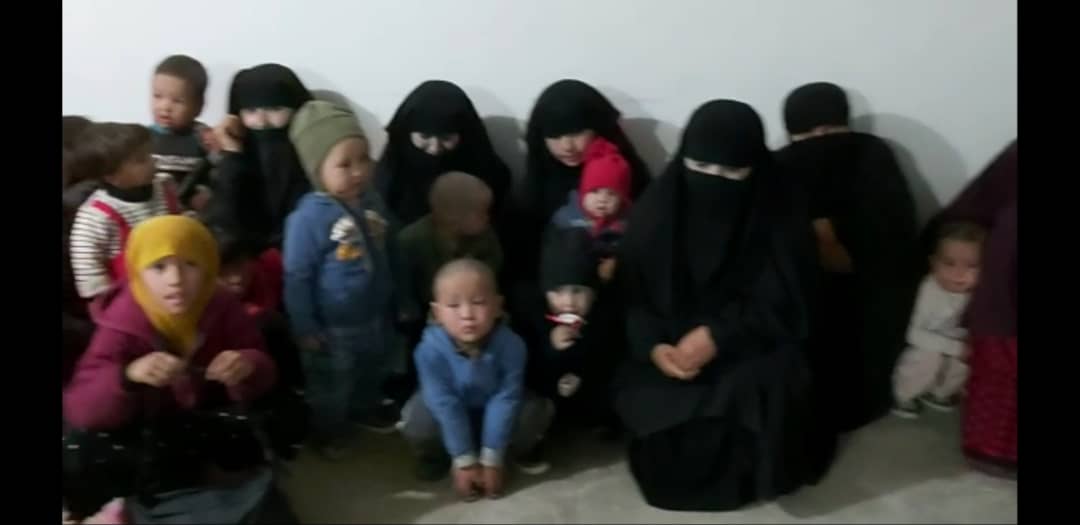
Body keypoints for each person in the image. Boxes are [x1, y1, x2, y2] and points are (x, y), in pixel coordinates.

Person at [613, 100, 831, 511]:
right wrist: (655, 348)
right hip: (670, 341)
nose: (714, 181)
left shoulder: (778, 212)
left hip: (753, 339)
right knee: (659, 416)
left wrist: (720, 335)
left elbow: (789, 299)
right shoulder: (656, 214)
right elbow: (633, 299)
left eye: (732, 172)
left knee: (765, 389)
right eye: (701, 167)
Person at [62, 215, 278, 520]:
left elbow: (264, 369)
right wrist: (128, 376)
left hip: (204, 425)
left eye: (190, 264)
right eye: (158, 266)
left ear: (208, 265)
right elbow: (81, 409)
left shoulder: (223, 305)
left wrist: (247, 365)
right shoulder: (121, 323)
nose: (175, 279)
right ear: (137, 271)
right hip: (143, 434)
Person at [775, 81, 921, 433]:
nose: (820, 141)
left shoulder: (868, 156)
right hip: (836, 301)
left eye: (828, 131)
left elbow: (895, 231)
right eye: (808, 135)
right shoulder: (869, 152)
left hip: (853, 298)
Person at [283, 100, 399, 459]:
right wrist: (305, 325)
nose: (358, 171)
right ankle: (329, 432)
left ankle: (364, 409)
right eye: (345, 165)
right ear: (317, 169)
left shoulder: (371, 201)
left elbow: (388, 248)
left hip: (373, 313)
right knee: (332, 383)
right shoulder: (307, 219)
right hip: (332, 326)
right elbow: (297, 276)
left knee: (371, 368)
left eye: (363, 159)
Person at [399, 259, 554, 499]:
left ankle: (516, 450)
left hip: (497, 411)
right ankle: (436, 456)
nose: (467, 315)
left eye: (478, 302)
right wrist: (464, 460)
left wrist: (492, 459)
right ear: (437, 313)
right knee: (415, 417)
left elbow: (506, 398)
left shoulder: (512, 345)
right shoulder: (428, 350)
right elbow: (444, 402)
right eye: (453, 305)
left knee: (535, 412)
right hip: (450, 414)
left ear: (498, 306)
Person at [927, 140, 1017, 477]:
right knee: (998, 367)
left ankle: (991, 450)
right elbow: (976, 206)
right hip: (1003, 294)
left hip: (1002, 290)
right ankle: (990, 451)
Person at [393, 172, 502, 400]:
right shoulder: (412, 241)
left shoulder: (484, 236)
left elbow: (494, 266)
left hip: (470, 305)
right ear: (453, 219)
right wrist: (408, 307)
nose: (487, 218)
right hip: (425, 308)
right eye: (481, 213)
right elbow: (401, 279)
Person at [375, 80, 511, 228]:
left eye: (446, 138)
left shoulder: (489, 175)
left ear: (465, 134)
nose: (434, 148)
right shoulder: (391, 172)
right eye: (424, 137)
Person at [69, 123, 181, 299]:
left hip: (178, 281)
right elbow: (88, 269)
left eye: (149, 154)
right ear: (111, 176)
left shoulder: (165, 186)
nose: (153, 161)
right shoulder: (95, 215)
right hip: (129, 298)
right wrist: (110, 303)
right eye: (141, 160)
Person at [207, 64, 313, 248]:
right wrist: (232, 153)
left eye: (276, 109)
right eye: (251, 111)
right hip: (242, 254)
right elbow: (225, 214)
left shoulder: (309, 149)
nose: (262, 122)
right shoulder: (233, 154)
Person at [892, 222, 984, 418]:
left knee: (971, 350)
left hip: (946, 337)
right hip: (919, 342)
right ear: (934, 264)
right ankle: (902, 394)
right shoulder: (929, 289)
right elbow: (912, 333)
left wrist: (964, 342)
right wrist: (954, 347)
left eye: (971, 266)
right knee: (929, 357)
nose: (959, 273)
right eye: (949, 263)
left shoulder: (972, 290)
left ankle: (940, 391)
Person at [550, 136, 632, 281]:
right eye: (595, 191)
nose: (602, 199)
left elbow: (632, 251)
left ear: (622, 200)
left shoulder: (626, 223)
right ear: (583, 193)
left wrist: (616, 261)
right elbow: (554, 247)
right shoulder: (566, 217)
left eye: (611, 194)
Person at [149, 54, 216, 212]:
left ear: (199, 106)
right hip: (150, 214)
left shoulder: (205, 139)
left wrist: (206, 194)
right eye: (157, 96)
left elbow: (218, 177)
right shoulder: (142, 139)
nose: (165, 107)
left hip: (189, 216)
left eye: (177, 101)